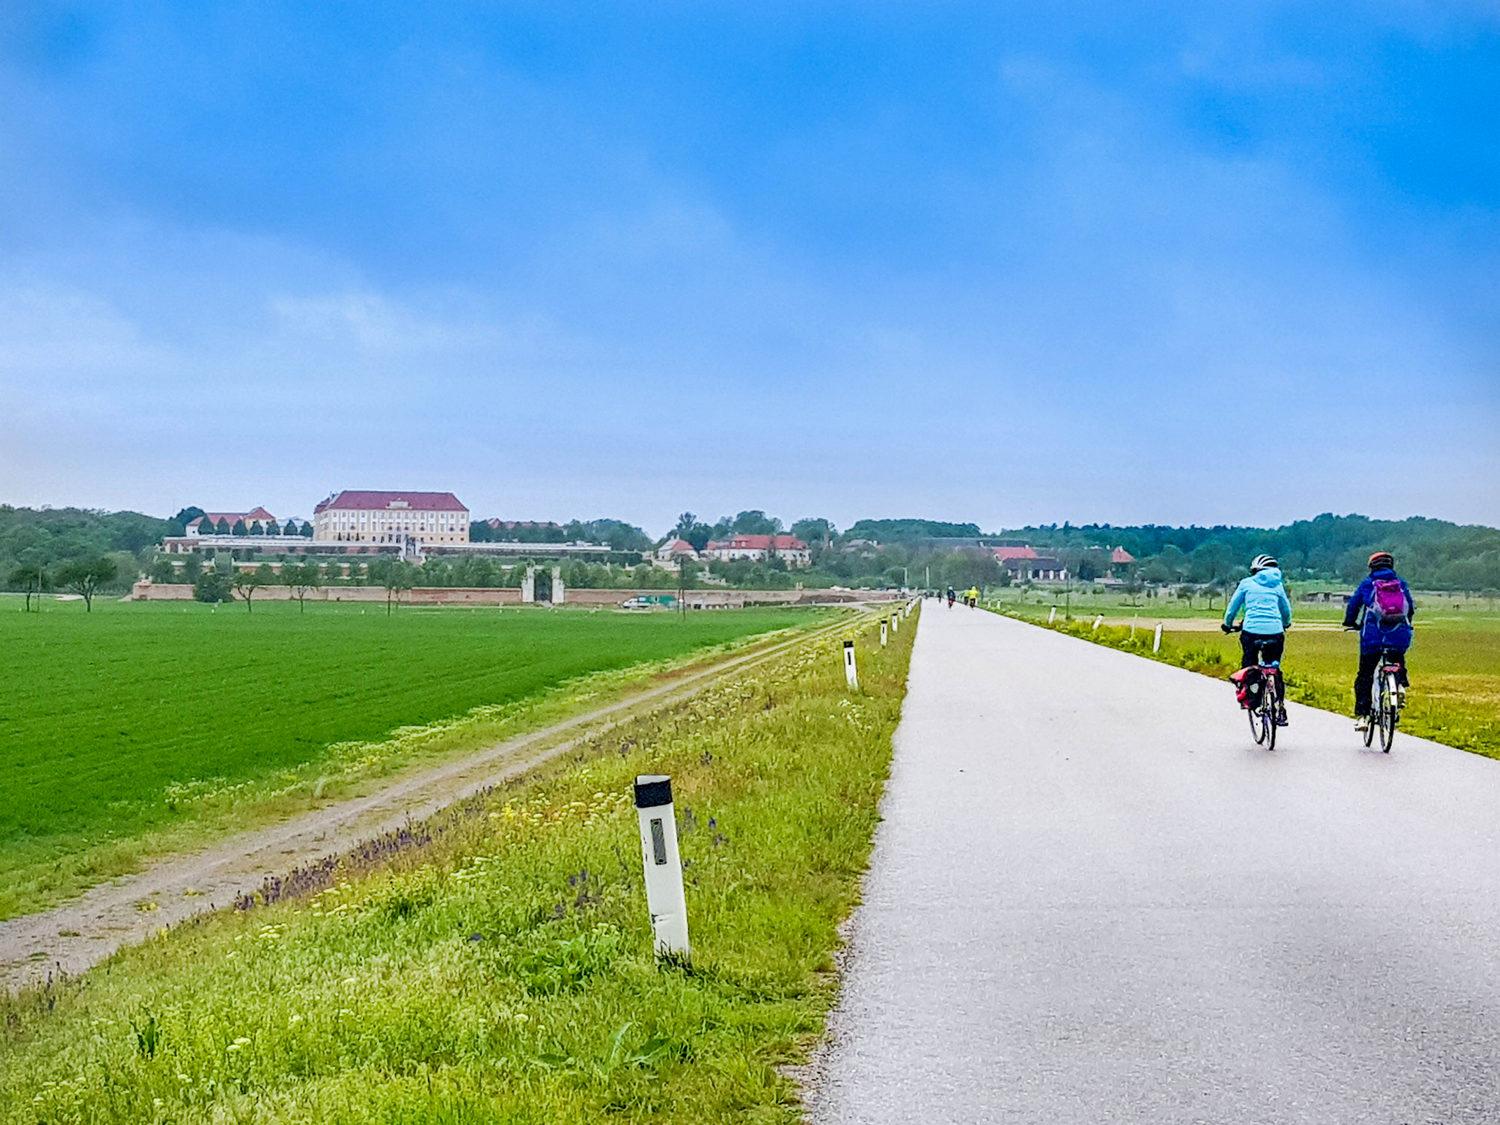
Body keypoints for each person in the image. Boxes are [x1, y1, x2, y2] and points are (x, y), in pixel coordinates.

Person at [1343, 551, 1415, 732]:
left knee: (1365, 674)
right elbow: (1410, 609)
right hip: (1398, 634)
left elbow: (1353, 605)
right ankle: (1399, 686)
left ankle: (1363, 716)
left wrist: (1350, 622)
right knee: (1397, 658)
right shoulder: (1401, 584)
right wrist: (1406, 626)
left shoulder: (1368, 584)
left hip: (1373, 637)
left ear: (1372, 566)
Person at [1222, 554, 1293, 725]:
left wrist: (1227, 624)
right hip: (1275, 633)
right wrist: (1285, 623)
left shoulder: (1246, 583)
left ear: (1255, 570)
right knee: (1274, 667)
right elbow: (1286, 610)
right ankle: (1279, 705)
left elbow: (1233, 608)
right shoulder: (1278, 585)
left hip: (1251, 631)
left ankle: (1252, 697)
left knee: (1249, 664)